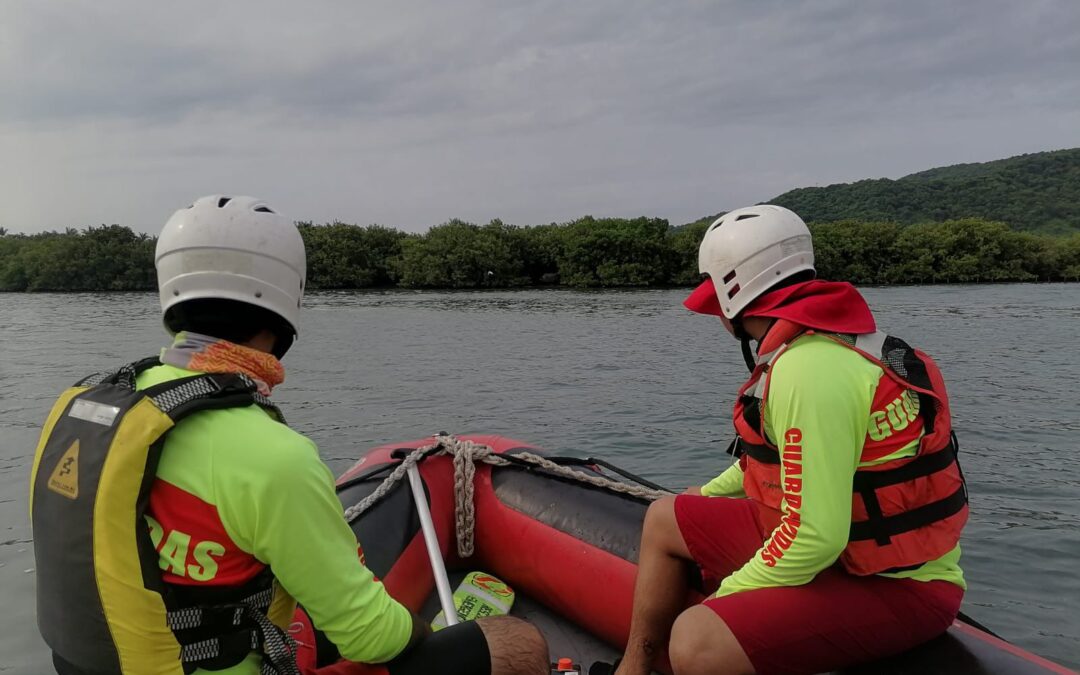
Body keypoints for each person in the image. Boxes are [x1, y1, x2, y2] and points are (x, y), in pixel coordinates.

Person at [29, 195, 548, 675]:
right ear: (284, 307)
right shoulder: (274, 458)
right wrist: (428, 637)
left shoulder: (91, 407)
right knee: (516, 642)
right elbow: (371, 638)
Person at [613, 205, 969, 675]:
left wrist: (728, 595)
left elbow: (814, 538)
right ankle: (632, 669)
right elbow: (780, 461)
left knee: (697, 641)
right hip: (848, 550)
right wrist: (706, 494)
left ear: (734, 294)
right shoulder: (825, 343)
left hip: (899, 584)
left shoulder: (808, 370)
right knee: (665, 517)